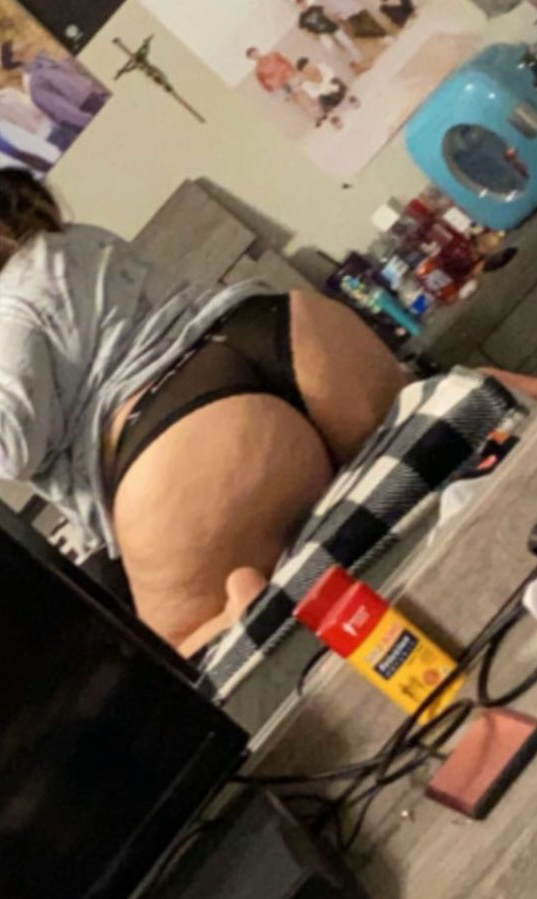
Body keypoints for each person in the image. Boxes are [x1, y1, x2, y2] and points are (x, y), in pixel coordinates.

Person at [0, 170, 533, 660]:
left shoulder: (8, 311)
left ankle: (245, 609)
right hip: (280, 331)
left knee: (173, 666)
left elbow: (11, 447)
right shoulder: (71, 241)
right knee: (451, 435)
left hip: (177, 443)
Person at [294, 0, 368, 74]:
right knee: (335, 52)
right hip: (323, 35)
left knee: (348, 43)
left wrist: (337, 21)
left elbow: (329, 14)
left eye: (303, 2)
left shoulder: (316, 8)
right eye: (300, 4)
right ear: (298, 6)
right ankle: (353, 66)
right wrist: (316, 37)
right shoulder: (301, 19)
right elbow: (305, 32)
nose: (302, 5)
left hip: (333, 28)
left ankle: (361, 62)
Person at [296, 56, 360, 128]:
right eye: (307, 69)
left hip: (338, 92)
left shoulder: (322, 66)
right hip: (329, 101)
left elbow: (331, 75)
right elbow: (314, 94)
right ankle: (334, 118)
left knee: (335, 80)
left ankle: (351, 97)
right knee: (320, 98)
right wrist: (324, 87)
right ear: (304, 72)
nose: (310, 69)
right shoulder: (306, 84)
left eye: (309, 65)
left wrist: (322, 87)